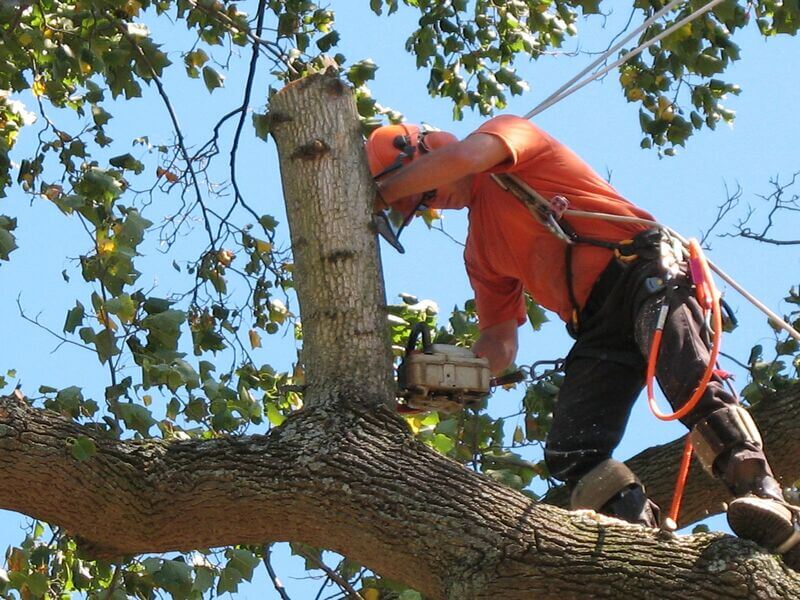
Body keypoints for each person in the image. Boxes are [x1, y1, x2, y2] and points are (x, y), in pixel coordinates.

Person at [365, 115, 800, 554]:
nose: (429, 205)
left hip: (642, 274)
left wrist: (379, 193)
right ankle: (644, 547)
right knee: (572, 449)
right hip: (596, 326)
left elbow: (465, 157)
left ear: (424, 150)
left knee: (684, 375)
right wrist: (457, 377)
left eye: (424, 193)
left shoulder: (507, 138)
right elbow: (500, 340)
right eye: (421, 203)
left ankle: (761, 493)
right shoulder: (481, 251)